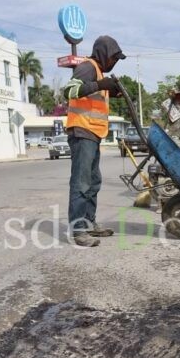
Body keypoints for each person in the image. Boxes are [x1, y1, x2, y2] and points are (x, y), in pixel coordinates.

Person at [62, 35, 125, 247]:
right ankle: (79, 230)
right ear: (104, 54)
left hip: (93, 134)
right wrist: (99, 84)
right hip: (82, 131)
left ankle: (88, 223)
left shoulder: (97, 73)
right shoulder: (88, 67)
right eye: (113, 58)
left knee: (94, 181)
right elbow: (69, 91)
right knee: (81, 182)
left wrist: (110, 90)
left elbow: (94, 98)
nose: (114, 63)